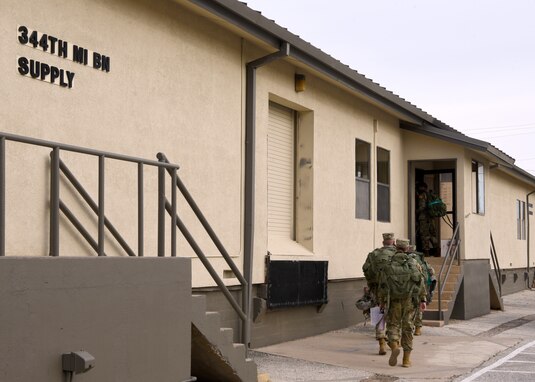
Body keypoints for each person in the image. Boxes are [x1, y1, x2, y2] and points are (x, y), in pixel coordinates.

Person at [377, 238, 427, 368]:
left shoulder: (388, 265)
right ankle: (406, 360)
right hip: (410, 301)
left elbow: (382, 285)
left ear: (396, 247)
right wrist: (423, 299)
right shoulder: (414, 263)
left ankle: (394, 346)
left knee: (393, 326)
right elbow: (421, 283)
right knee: (408, 328)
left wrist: (382, 302)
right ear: (407, 248)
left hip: (393, 301)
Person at [362, 233, 397, 355]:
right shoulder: (399, 254)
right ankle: (394, 343)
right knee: (394, 315)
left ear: (383, 243)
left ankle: (382, 342)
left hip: (378, 289)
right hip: (394, 289)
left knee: (380, 313)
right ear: (393, 242)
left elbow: (366, 269)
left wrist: (372, 284)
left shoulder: (374, 254)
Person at [406, 244, 436, 336]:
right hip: (421, 287)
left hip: (409, 288)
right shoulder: (422, 261)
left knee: (409, 307)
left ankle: (408, 326)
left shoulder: (406, 260)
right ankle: (418, 328)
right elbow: (432, 272)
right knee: (419, 306)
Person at [416, 182, 439, 256]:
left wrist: (415, 212)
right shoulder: (431, 195)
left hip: (424, 218)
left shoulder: (422, 195)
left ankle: (426, 252)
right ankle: (437, 250)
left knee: (424, 235)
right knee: (432, 235)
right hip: (431, 218)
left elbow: (422, 207)